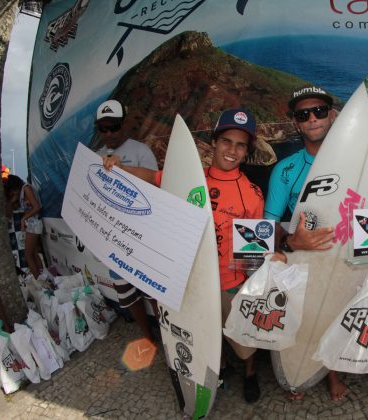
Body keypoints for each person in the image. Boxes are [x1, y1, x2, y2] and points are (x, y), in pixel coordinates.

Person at [104, 108, 273, 403]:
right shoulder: (189, 179)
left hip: (229, 283)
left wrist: (251, 288)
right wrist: (118, 168)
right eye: (226, 141)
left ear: (247, 151)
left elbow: (254, 253)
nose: (232, 150)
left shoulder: (253, 194)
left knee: (243, 339)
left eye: (240, 144)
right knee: (203, 337)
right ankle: (217, 373)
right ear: (215, 143)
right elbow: (152, 177)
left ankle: (249, 372)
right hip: (190, 279)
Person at [264, 86, 347, 401]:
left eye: (319, 111)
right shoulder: (285, 170)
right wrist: (290, 240)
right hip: (301, 257)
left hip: (338, 257)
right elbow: (269, 224)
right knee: (299, 319)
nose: (312, 118)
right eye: (303, 114)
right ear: (296, 123)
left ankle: (332, 374)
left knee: (333, 316)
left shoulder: (352, 162)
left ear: (332, 115)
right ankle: (294, 372)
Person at [94, 99, 159, 342]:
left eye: (114, 127)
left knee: (153, 290)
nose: (109, 134)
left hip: (143, 237)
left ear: (125, 125)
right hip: (115, 240)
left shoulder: (141, 151)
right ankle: (147, 338)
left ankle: (166, 334)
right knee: (128, 294)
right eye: (103, 129)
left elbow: (155, 187)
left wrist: (124, 172)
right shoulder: (95, 157)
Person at [3, 174, 44, 279]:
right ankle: (44, 277)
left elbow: (37, 207)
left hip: (35, 224)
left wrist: (23, 218)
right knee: (34, 253)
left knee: (28, 256)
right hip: (33, 224)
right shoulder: (23, 191)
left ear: (15, 187)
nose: (12, 194)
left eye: (12, 191)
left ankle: (39, 280)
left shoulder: (26, 189)